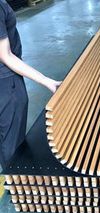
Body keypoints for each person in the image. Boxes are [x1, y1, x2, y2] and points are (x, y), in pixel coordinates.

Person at [0, 0, 61, 170]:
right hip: (6, 83)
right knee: (12, 146)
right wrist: (46, 81)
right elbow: (6, 56)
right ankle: (17, 187)